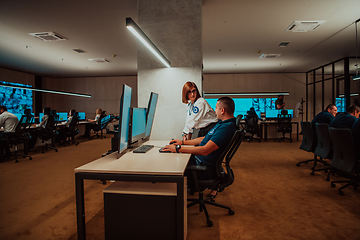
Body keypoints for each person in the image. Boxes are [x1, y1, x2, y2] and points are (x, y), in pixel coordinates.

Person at [162, 97, 237, 198]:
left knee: (171, 164)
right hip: (201, 162)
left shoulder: (226, 128)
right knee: (173, 158)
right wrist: (183, 142)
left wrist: (177, 148)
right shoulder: (222, 123)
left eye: (216, 108)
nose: (215, 111)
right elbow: (204, 139)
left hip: (204, 168)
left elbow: (205, 150)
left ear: (222, 110)